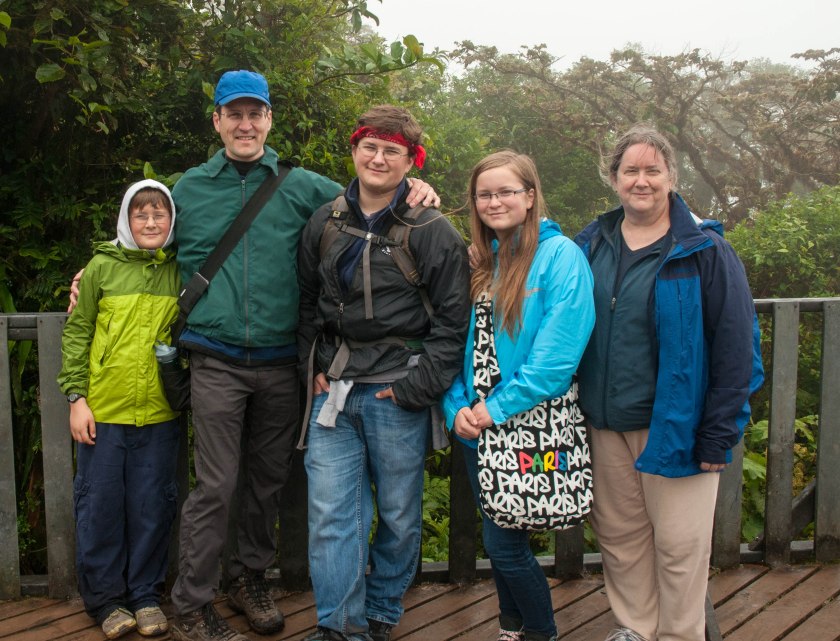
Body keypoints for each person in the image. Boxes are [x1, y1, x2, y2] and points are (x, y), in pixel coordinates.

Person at [574, 124, 762, 641]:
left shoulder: (704, 250)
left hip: (678, 427)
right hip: (604, 424)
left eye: (652, 171)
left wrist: (719, 432)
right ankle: (635, 629)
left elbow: (737, 350)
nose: (642, 181)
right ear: (613, 177)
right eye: (630, 170)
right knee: (620, 539)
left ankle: (680, 635)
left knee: (680, 546)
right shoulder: (591, 243)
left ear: (671, 177)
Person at [296, 105, 471, 641]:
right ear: (354, 150)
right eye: (369, 146)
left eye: (392, 150)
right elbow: (306, 302)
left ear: (411, 160)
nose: (378, 158)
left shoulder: (431, 228)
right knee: (331, 513)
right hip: (334, 390)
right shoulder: (325, 221)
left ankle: (381, 609)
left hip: (396, 389)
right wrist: (313, 365)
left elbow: (453, 320)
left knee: (398, 514)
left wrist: (416, 388)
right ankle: (340, 627)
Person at [442, 151, 595, 641]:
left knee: (505, 545)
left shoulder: (561, 257)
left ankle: (540, 631)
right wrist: (455, 408)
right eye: (484, 194)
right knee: (500, 537)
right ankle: (512, 627)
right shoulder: (483, 261)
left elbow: (555, 361)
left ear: (530, 197)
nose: (494, 202)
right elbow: (458, 348)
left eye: (506, 191)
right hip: (477, 429)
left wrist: (494, 409)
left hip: (530, 426)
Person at [58, 180, 181, 640]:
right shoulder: (100, 268)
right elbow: (77, 332)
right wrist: (77, 399)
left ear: (171, 220)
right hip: (103, 414)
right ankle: (106, 601)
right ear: (126, 220)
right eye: (140, 214)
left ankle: (145, 596)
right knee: (100, 507)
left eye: (159, 213)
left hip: (160, 414)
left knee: (152, 507)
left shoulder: (181, 268)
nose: (150, 222)